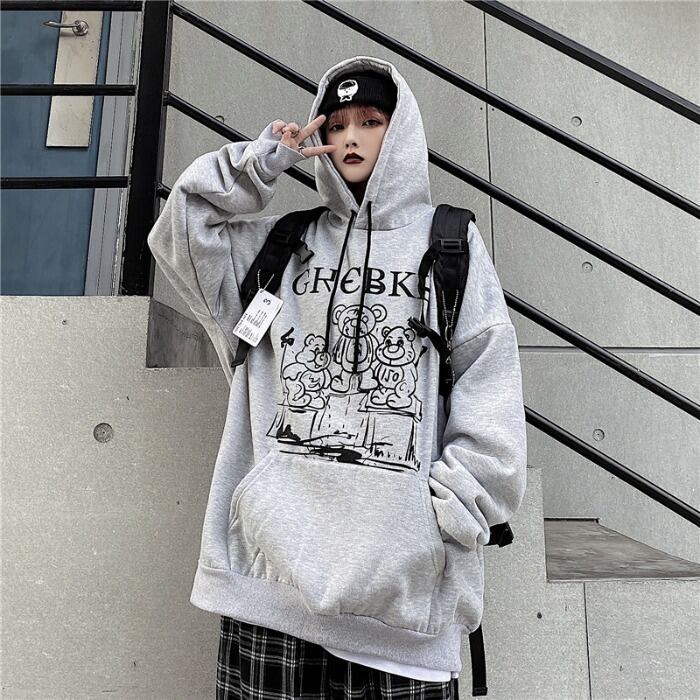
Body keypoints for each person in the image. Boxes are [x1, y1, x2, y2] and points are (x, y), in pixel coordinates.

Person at [147, 55, 527, 699]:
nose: (352, 137)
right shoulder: (281, 244)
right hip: (271, 592)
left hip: (403, 617)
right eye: (338, 123)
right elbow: (183, 228)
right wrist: (261, 164)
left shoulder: (449, 244)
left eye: (371, 121)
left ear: (400, 132)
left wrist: (441, 520)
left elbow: (490, 386)